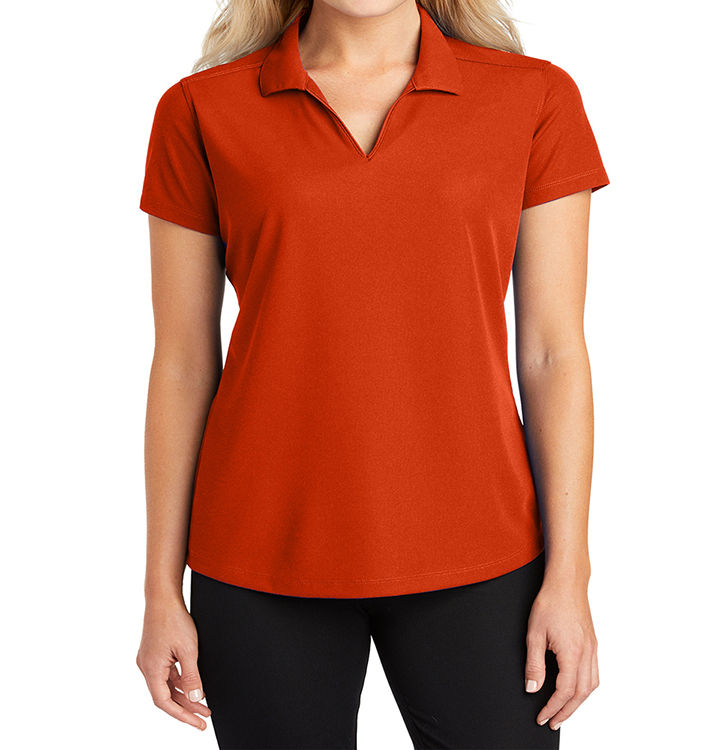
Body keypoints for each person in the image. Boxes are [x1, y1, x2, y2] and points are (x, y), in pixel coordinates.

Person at [135, 0, 610, 747]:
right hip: (261, 555)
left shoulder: (534, 98)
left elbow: (553, 353)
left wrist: (570, 577)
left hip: (484, 553)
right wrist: (160, 588)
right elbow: (184, 363)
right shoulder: (200, 110)